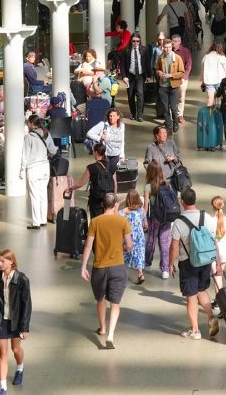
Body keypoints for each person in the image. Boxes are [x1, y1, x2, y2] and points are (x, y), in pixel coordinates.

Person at [79, 193, 132, 349]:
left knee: (100, 299)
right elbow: (129, 245)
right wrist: (122, 248)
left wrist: (83, 267)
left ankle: (102, 328)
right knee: (115, 303)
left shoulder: (95, 222)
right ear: (115, 204)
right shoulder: (123, 221)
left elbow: (88, 245)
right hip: (118, 267)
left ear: (102, 205)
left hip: (99, 268)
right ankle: (110, 335)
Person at [169, 188, 221, 340]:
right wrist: (217, 262)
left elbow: (174, 246)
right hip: (205, 260)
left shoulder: (178, 222)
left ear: (182, 201)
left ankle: (195, 330)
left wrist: (170, 264)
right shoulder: (207, 217)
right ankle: (211, 317)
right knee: (202, 290)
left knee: (191, 296)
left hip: (188, 263)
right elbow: (214, 242)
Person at [0, 249, 32, 393]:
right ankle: (3, 388)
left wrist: (25, 327)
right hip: (1, 321)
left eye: (2, 261)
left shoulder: (22, 280)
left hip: (16, 322)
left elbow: (27, 305)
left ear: (11, 262)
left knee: (15, 349)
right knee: (3, 353)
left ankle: (20, 368)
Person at [19, 114, 54, 229]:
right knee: (43, 194)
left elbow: (25, 155)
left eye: (28, 123)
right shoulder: (46, 133)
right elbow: (53, 150)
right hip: (45, 167)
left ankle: (36, 222)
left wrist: (21, 170)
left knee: (34, 195)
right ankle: (43, 219)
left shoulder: (29, 137)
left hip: (33, 168)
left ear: (31, 124)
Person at [71, 143, 117, 221]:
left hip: (96, 200)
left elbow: (81, 183)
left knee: (96, 221)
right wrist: (114, 198)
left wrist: (70, 188)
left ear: (95, 152)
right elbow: (115, 183)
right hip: (109, 199)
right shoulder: (111, 165)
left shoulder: (91, 167)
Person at [154, 39, 186, 133]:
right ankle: (168, 125)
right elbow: (157, 69)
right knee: (165, 107)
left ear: (172, 47)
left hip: (174, 86)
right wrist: (159, 73)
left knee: (173, 106)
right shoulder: (161, 57)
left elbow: (182, 73)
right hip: (163, 85)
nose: (167, 49)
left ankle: (175, 121)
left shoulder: (177, 58)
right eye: (165, 47)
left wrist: (171, 75)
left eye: (169, 47)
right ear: (163, 47)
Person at [119, 190, 147, 285]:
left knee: (125, 253)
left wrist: (118, 204)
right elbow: (145, 224)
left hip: (129, 236)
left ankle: (122, 274)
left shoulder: (126, 210)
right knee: (138, 254)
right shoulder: (141, 209)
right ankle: (140, 274)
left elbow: (116, 216)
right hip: (139, 236)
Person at [205, 196, 226, 291]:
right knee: (219, 275)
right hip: (224, 250)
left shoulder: (210, 221)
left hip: (213, 251)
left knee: (216, 276)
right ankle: (219, 300)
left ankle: (217, 300)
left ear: (213, 207)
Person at [85, 108, 125, 172]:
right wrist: (99, 138)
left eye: (114, 116)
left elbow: (122, 140)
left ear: (118, 117)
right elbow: (89, 133)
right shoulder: (103, 125)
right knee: (105, 174)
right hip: (105, 155)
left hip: (116, 155)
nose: (112, 118)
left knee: (113, 174)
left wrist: (122, 154)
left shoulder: (122, 126)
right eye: (110, 116)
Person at [122, 32, 150, 121]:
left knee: (140, 95)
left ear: (140, 41)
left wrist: (149, 75)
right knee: (130, 96)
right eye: (134, 41)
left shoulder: (144, 49)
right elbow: (122, 65)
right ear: (131, 41)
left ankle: (140, 115)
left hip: (140, 75)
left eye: (137, 41)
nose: (135, 43)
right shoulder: (126, 50)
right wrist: (124, 76)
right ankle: (133, 114)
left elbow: (147, 63)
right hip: (130, 76)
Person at [200, 40, 226, 108]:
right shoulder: (221, 57)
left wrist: (203, 81)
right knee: (223, 98)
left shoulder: (206, 56)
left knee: (210, 99)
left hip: (209, 81)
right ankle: (221, 115)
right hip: (220, 80)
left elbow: (202, 69)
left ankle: (209, 116)